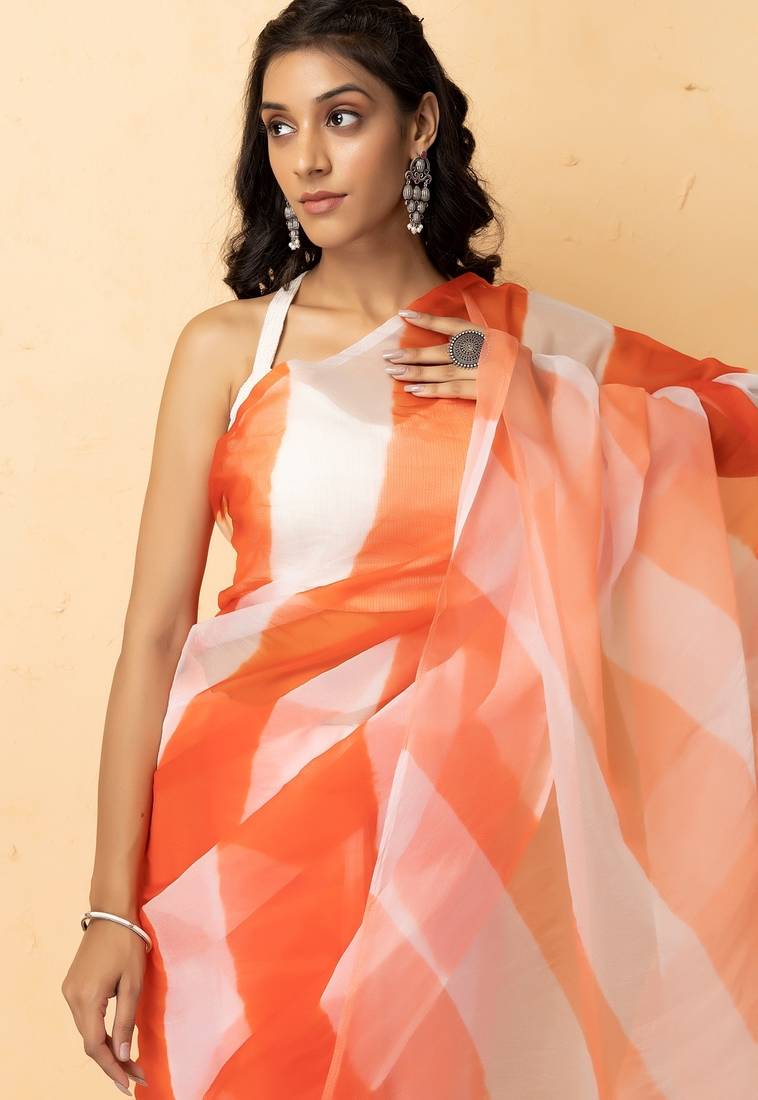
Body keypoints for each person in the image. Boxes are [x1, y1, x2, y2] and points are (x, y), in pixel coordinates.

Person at [61, 2, 758, 1098]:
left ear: (419, 124)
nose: (306, 158)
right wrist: (113, 907)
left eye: (341, 117)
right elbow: (154, 636)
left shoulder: (519, 339)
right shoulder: (230, 351)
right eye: (279, 126)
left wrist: (527, 389)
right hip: (236, 833)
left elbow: (739, 416)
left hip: (453, 851)